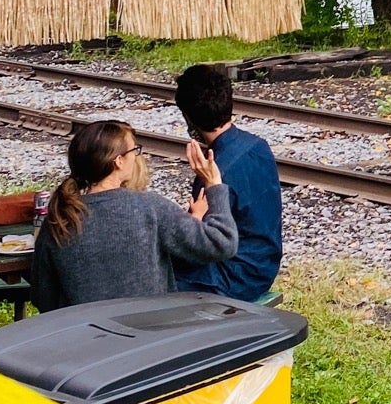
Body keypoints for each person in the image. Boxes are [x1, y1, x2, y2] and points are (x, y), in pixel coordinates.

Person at [31, 119, 237, 310]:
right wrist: (214, 184)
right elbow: (222, 243)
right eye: (134, 150)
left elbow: (43, 297)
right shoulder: (149, 207)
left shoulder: (59, 219)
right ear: (119, 161)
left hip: (87, 341)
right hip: (147, 338)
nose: (137, 156)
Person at [173, 64, 283, 303]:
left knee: (159, 276)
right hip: (265, 265)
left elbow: (204, 244)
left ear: (189, 117)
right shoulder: (259, 146)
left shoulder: (213, 171)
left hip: (232, 279)